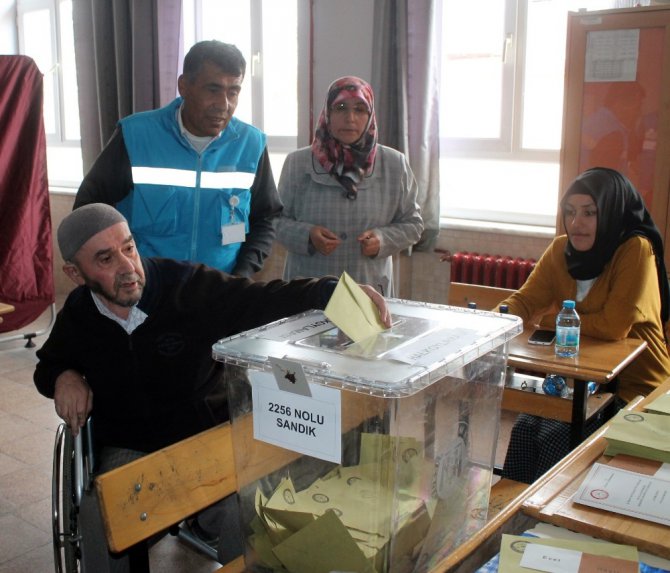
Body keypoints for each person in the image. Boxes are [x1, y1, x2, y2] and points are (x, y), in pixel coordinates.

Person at [34, 203, 390, 571]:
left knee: (252, 525)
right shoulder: (78, 314)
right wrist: (63, 376)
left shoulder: (185, 286)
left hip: (206, 440)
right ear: (75, 273)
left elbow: (261, 298)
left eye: (129, 248)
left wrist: (330, 292)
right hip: (132, 449)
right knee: (103, 527)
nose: (127, 268)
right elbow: (48, 364)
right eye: (105, 259)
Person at [498, 167, 670, 483]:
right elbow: (523, 302)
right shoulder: (560, 250)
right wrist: (488, 324)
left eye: (589, 213)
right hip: (579, 383)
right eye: (570, 212)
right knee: (525, 427)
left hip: (637, 391)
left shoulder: (635, 250)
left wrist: (549, 320)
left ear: (611, 213)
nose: (577, 223)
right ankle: (513, 518)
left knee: (558, 437)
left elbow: (613, 326)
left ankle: (548, 519)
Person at [74, 40, 281, 277]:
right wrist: (117, 272)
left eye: (233, 92)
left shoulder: (251, 145)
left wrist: (241, 276)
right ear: (184, 86)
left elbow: (265, 218)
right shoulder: (137, 136)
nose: (224, 105)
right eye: (213, 90)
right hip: (146, 291)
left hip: (220, 291)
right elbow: (88, 207)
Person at [275, 76, 423, 297]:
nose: (350, 118)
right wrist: (308, 235)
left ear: (370, 115)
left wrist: (382, 240)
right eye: (340, 107)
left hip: (369, 289)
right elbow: (275, 221)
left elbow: (413, 225)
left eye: (360, 109)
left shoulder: (394, 164)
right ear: (328, 113)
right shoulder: (298, 163)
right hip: (308, 289)